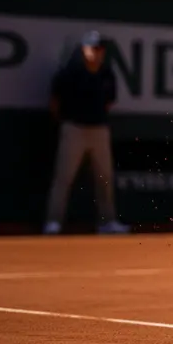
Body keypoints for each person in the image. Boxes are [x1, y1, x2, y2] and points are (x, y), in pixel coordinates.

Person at [44, 32, 129, 236]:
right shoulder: (68, 74)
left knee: (104, 178)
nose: (97, 52)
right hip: (74, 129)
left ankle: (107, 222)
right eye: (93, 48)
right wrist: (69, 121)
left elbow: (109, 103)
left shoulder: (107, 74)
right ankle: (53, 222)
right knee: (64, 178)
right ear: (84, 50)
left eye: (100, 49)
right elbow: (54, 104)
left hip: (99, 130)